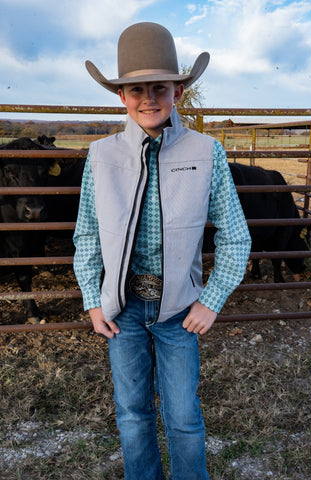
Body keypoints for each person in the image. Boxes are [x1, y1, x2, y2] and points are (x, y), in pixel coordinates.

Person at [73, 21, 251, 480]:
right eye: (136, 89)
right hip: (123, 309)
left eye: (160, 87)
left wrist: (211, 300)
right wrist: (94, 300)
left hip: (178, 309)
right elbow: (88, 235)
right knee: (132, 413)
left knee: (184, 418)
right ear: (121, 96)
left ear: (179, 91)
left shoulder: (206, 151)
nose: (148, 98)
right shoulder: (101, 156)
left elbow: (235, 234)